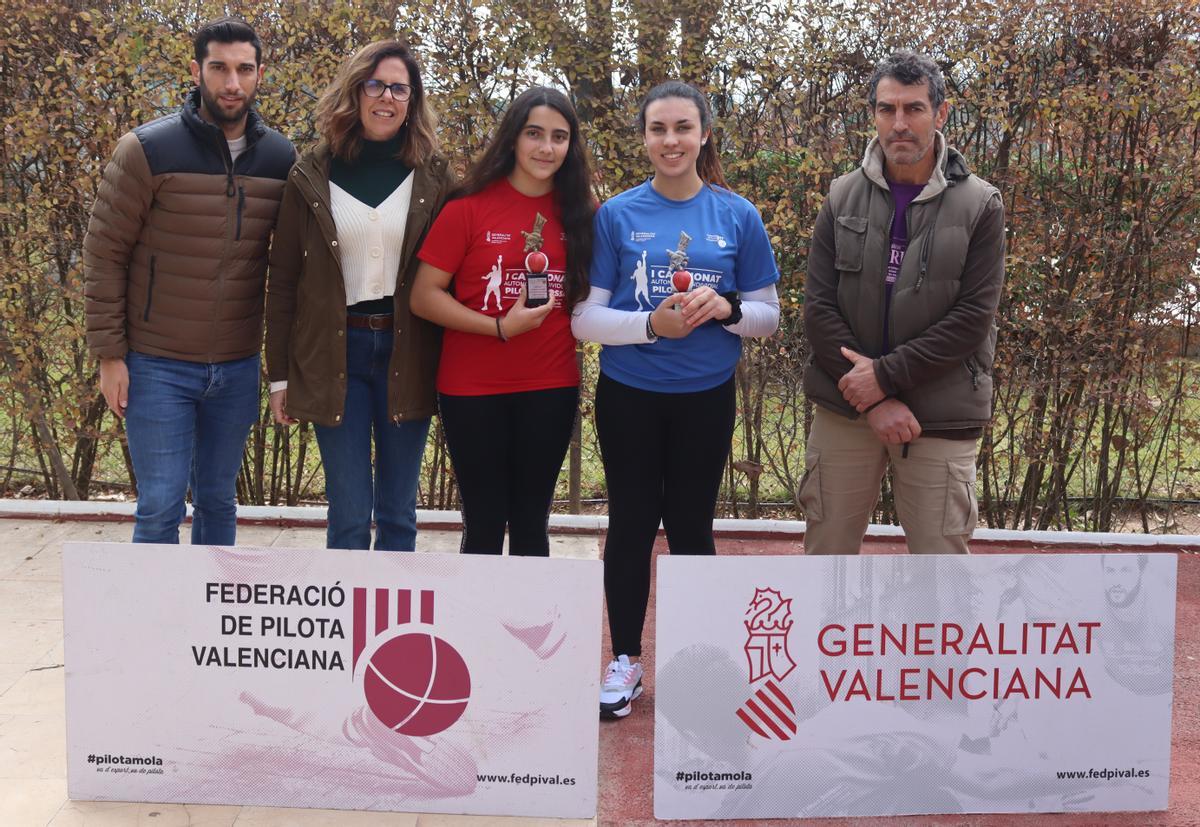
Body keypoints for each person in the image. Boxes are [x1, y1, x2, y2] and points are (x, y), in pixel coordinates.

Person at [572, 80, 781, 718]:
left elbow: (769, 314)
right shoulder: (616, 215)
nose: (671, 141)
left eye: (683, 128)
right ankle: (626, 662)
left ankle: (697, 662)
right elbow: (585, 320)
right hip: (629, 394)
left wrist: (726, 308)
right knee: (631, 525)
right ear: (644, 138)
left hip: (704, 397)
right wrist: (649, 327)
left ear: (704, 134)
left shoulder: (737, 215)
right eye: (659, 129)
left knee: (692, 526)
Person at [83, 17, 295, 545]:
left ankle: (207, 626)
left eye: (244, 70)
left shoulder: (280, 159)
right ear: (196, 69)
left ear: (259, 75)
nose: (231, 83)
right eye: (219, 68)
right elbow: (104, 254)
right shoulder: (146, 150)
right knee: (159, 506)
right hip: (157, 366)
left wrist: (284, 369)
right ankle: (153, 628)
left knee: (219, 502)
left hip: (236, 366)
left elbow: (293, 268)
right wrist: (111, 356)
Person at [801, 50, 1006, 555]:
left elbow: (972, 320)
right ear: (872, 114)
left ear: (940, 114)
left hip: (939, 414)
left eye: (913, 109)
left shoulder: (981, 204)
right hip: (846, 409)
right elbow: (818, 309)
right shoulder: (840, 196)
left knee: (942, 581)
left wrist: (886, 378)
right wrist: (873, 396)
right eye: (886, 109)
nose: (899, 124)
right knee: (824, 567)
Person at [265, 40, 452, 551]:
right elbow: (282, 282)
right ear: (355, 91)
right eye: (375, 84)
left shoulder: (434, 176)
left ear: (412, 100)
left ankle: (394, 631)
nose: (386, 97)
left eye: (399, 88)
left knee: (398, 514)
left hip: (408, 353)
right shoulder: (311, 174)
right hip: (334, 355)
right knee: (347, 515)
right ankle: (349, 632)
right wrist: (280, 376)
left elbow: (454, 273)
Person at [410, 87, 594, 556]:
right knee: (485, 525)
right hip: (471, 389)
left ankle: (530, 628)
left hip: (550, 385)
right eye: (534, 133)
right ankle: (477, 631)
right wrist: (497, 328)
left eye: (559, 137)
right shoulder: (467, 208)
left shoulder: (584, 216)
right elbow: (424, 297)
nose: (546, 148)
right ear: (513, 137)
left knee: (532, 525)